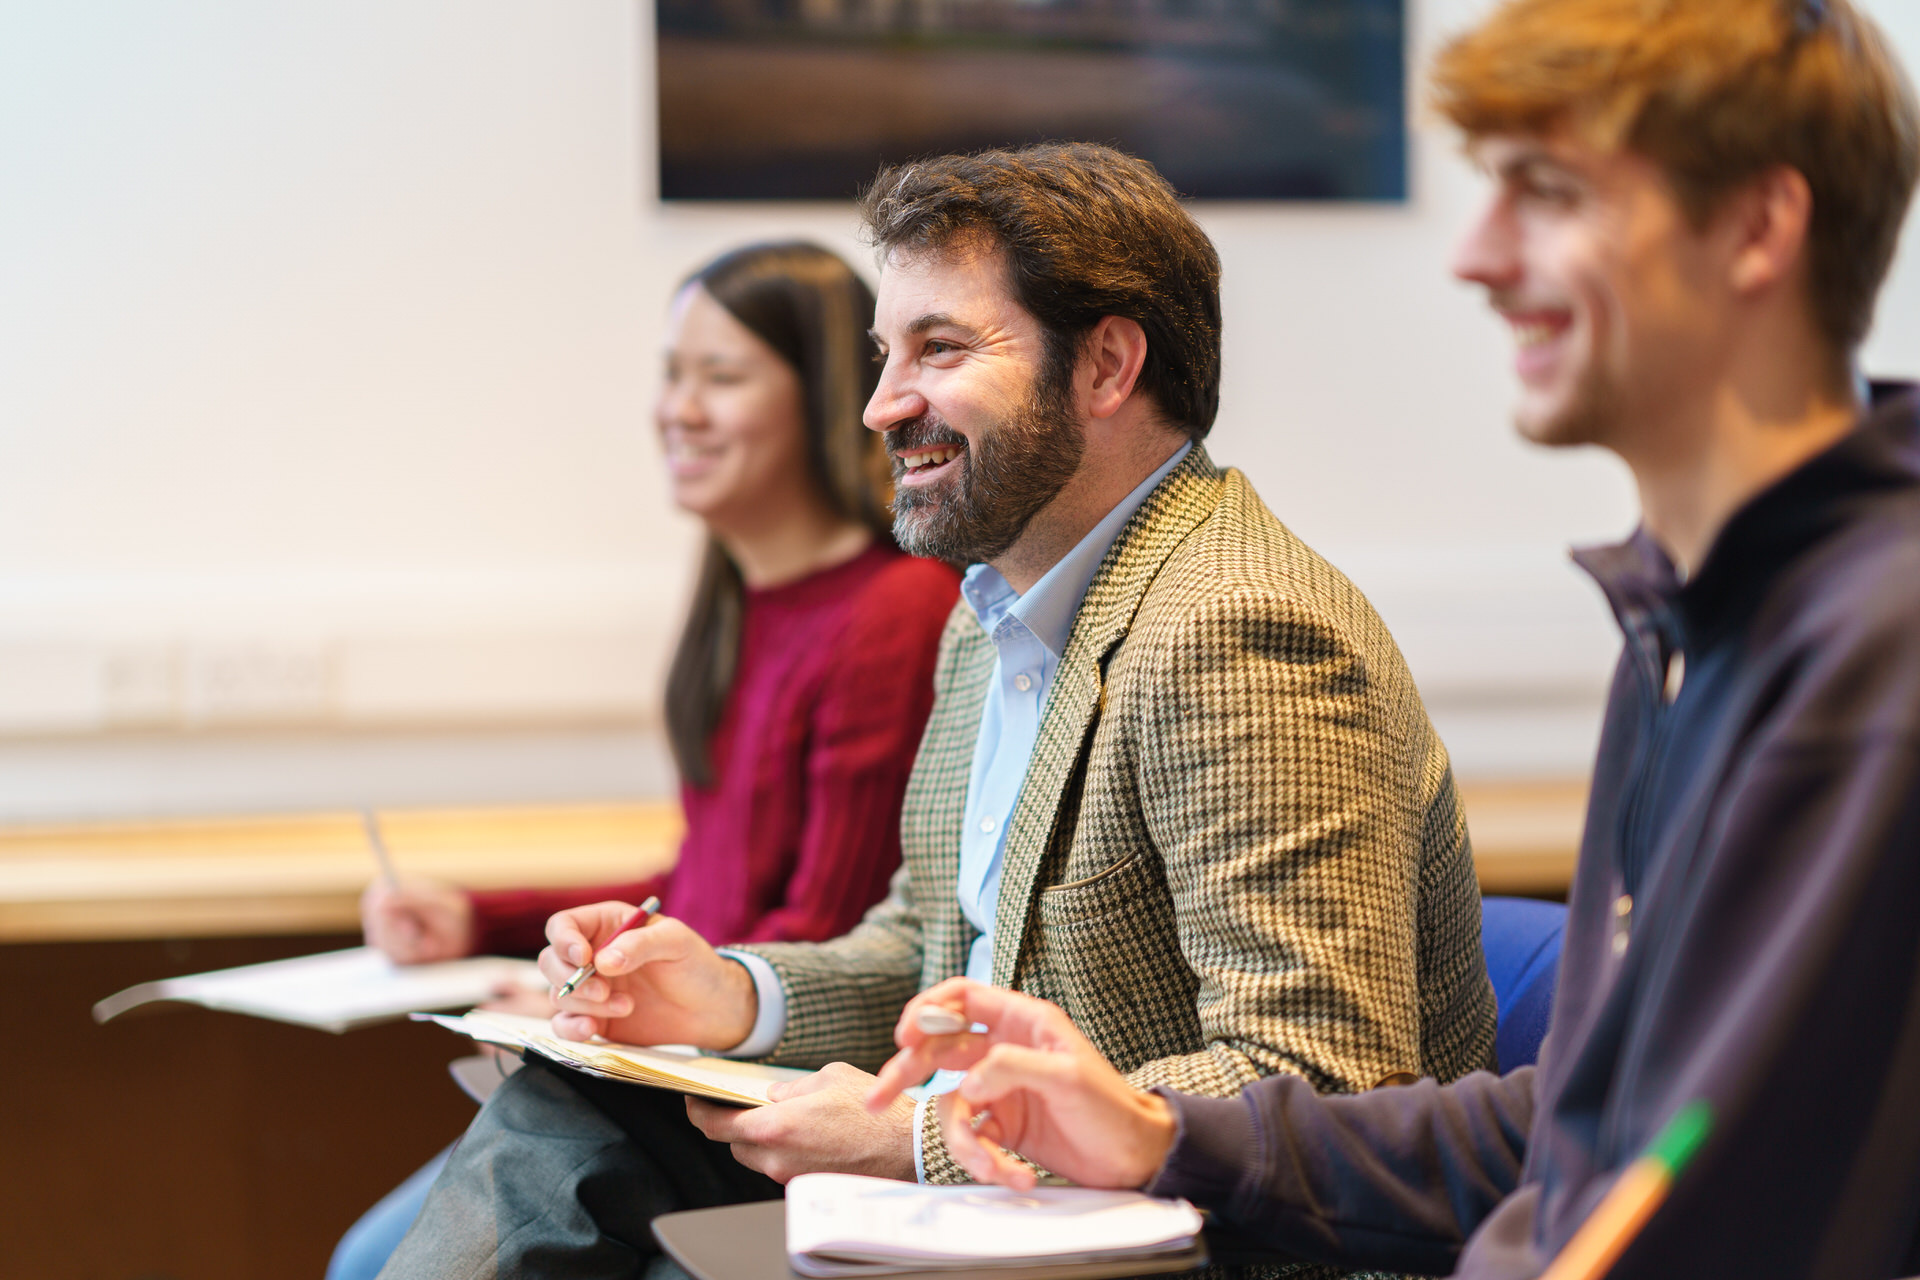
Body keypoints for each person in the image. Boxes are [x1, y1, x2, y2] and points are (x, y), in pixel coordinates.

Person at [868, 3, 1920, 1277]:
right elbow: (1571, 1132)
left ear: (1758, 226)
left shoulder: (1874, 646)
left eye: (1546, 195)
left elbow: (1700, 1194)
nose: (1474, 256)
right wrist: (1159, 1132)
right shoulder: (1686, 627)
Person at [378, 142, 1496, 1279]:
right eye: (882, 355)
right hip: (1006, 1223)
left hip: (1173, 1252)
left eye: (940, 349)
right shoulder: (991, 616)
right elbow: (928, 945)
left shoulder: (1233, 626)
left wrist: (919, 1139)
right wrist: (727, 993)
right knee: (571, 1114)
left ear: (1106, 365)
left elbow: (1316, 1083)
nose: (878, 406)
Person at [327, 242, 959, 1280]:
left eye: (722, 375)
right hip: (692, 1047)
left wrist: (610, 1009)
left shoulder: (894, 616)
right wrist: (480, 918)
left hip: (771, 1091)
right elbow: (707, 879)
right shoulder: (739, 604)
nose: (680, 407)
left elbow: (830, 933)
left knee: (372, 1260)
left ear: (826, 395)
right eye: (672, 373)